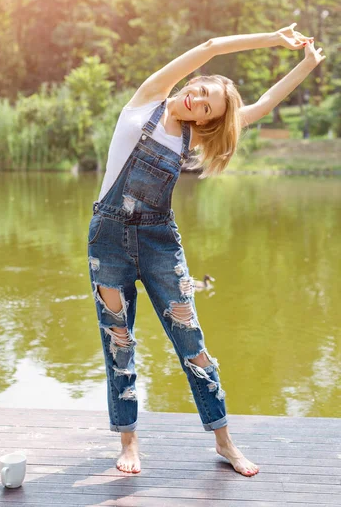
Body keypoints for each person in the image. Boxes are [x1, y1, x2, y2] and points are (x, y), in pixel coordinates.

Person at [87, 24, 325, 477]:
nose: (196, 99)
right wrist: (274, 38)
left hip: (159, 243)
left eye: (207, 106)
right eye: (201, 90)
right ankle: (129, 441)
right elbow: (211, 48)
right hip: (108, 241)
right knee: (118, 342)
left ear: (205, 120)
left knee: (191, 342)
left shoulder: (187, 139)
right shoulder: (145, 101)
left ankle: (224, 441)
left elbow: (260, 108)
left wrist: (306, 64)